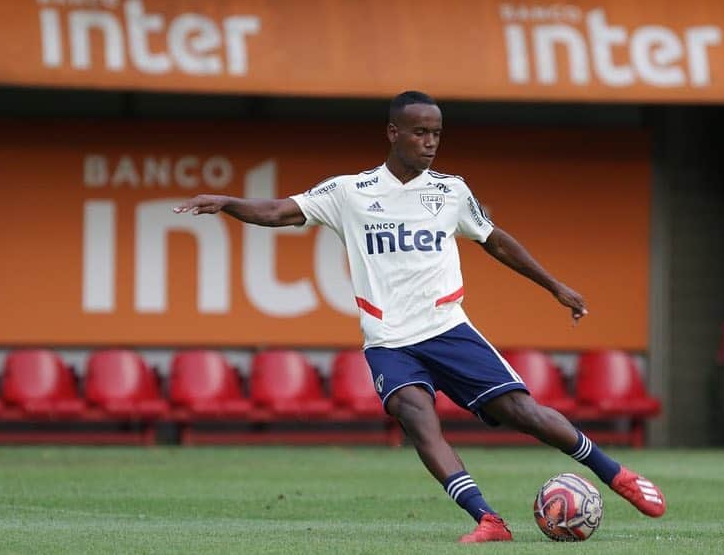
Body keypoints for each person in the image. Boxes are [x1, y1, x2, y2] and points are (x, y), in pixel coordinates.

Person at [174, 90, 666, 543]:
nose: (430, 143)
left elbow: (494, 239)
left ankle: (616, 475)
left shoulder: (451, 191)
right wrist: (228, 203)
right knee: (418, 419)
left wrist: (555, 286)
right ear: (394, 132)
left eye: (436, 134)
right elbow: (281, 211)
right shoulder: (351, 191)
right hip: (389, 339)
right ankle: (488, 520)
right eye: (420, 133)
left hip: (448, 328)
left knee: (523, 413)